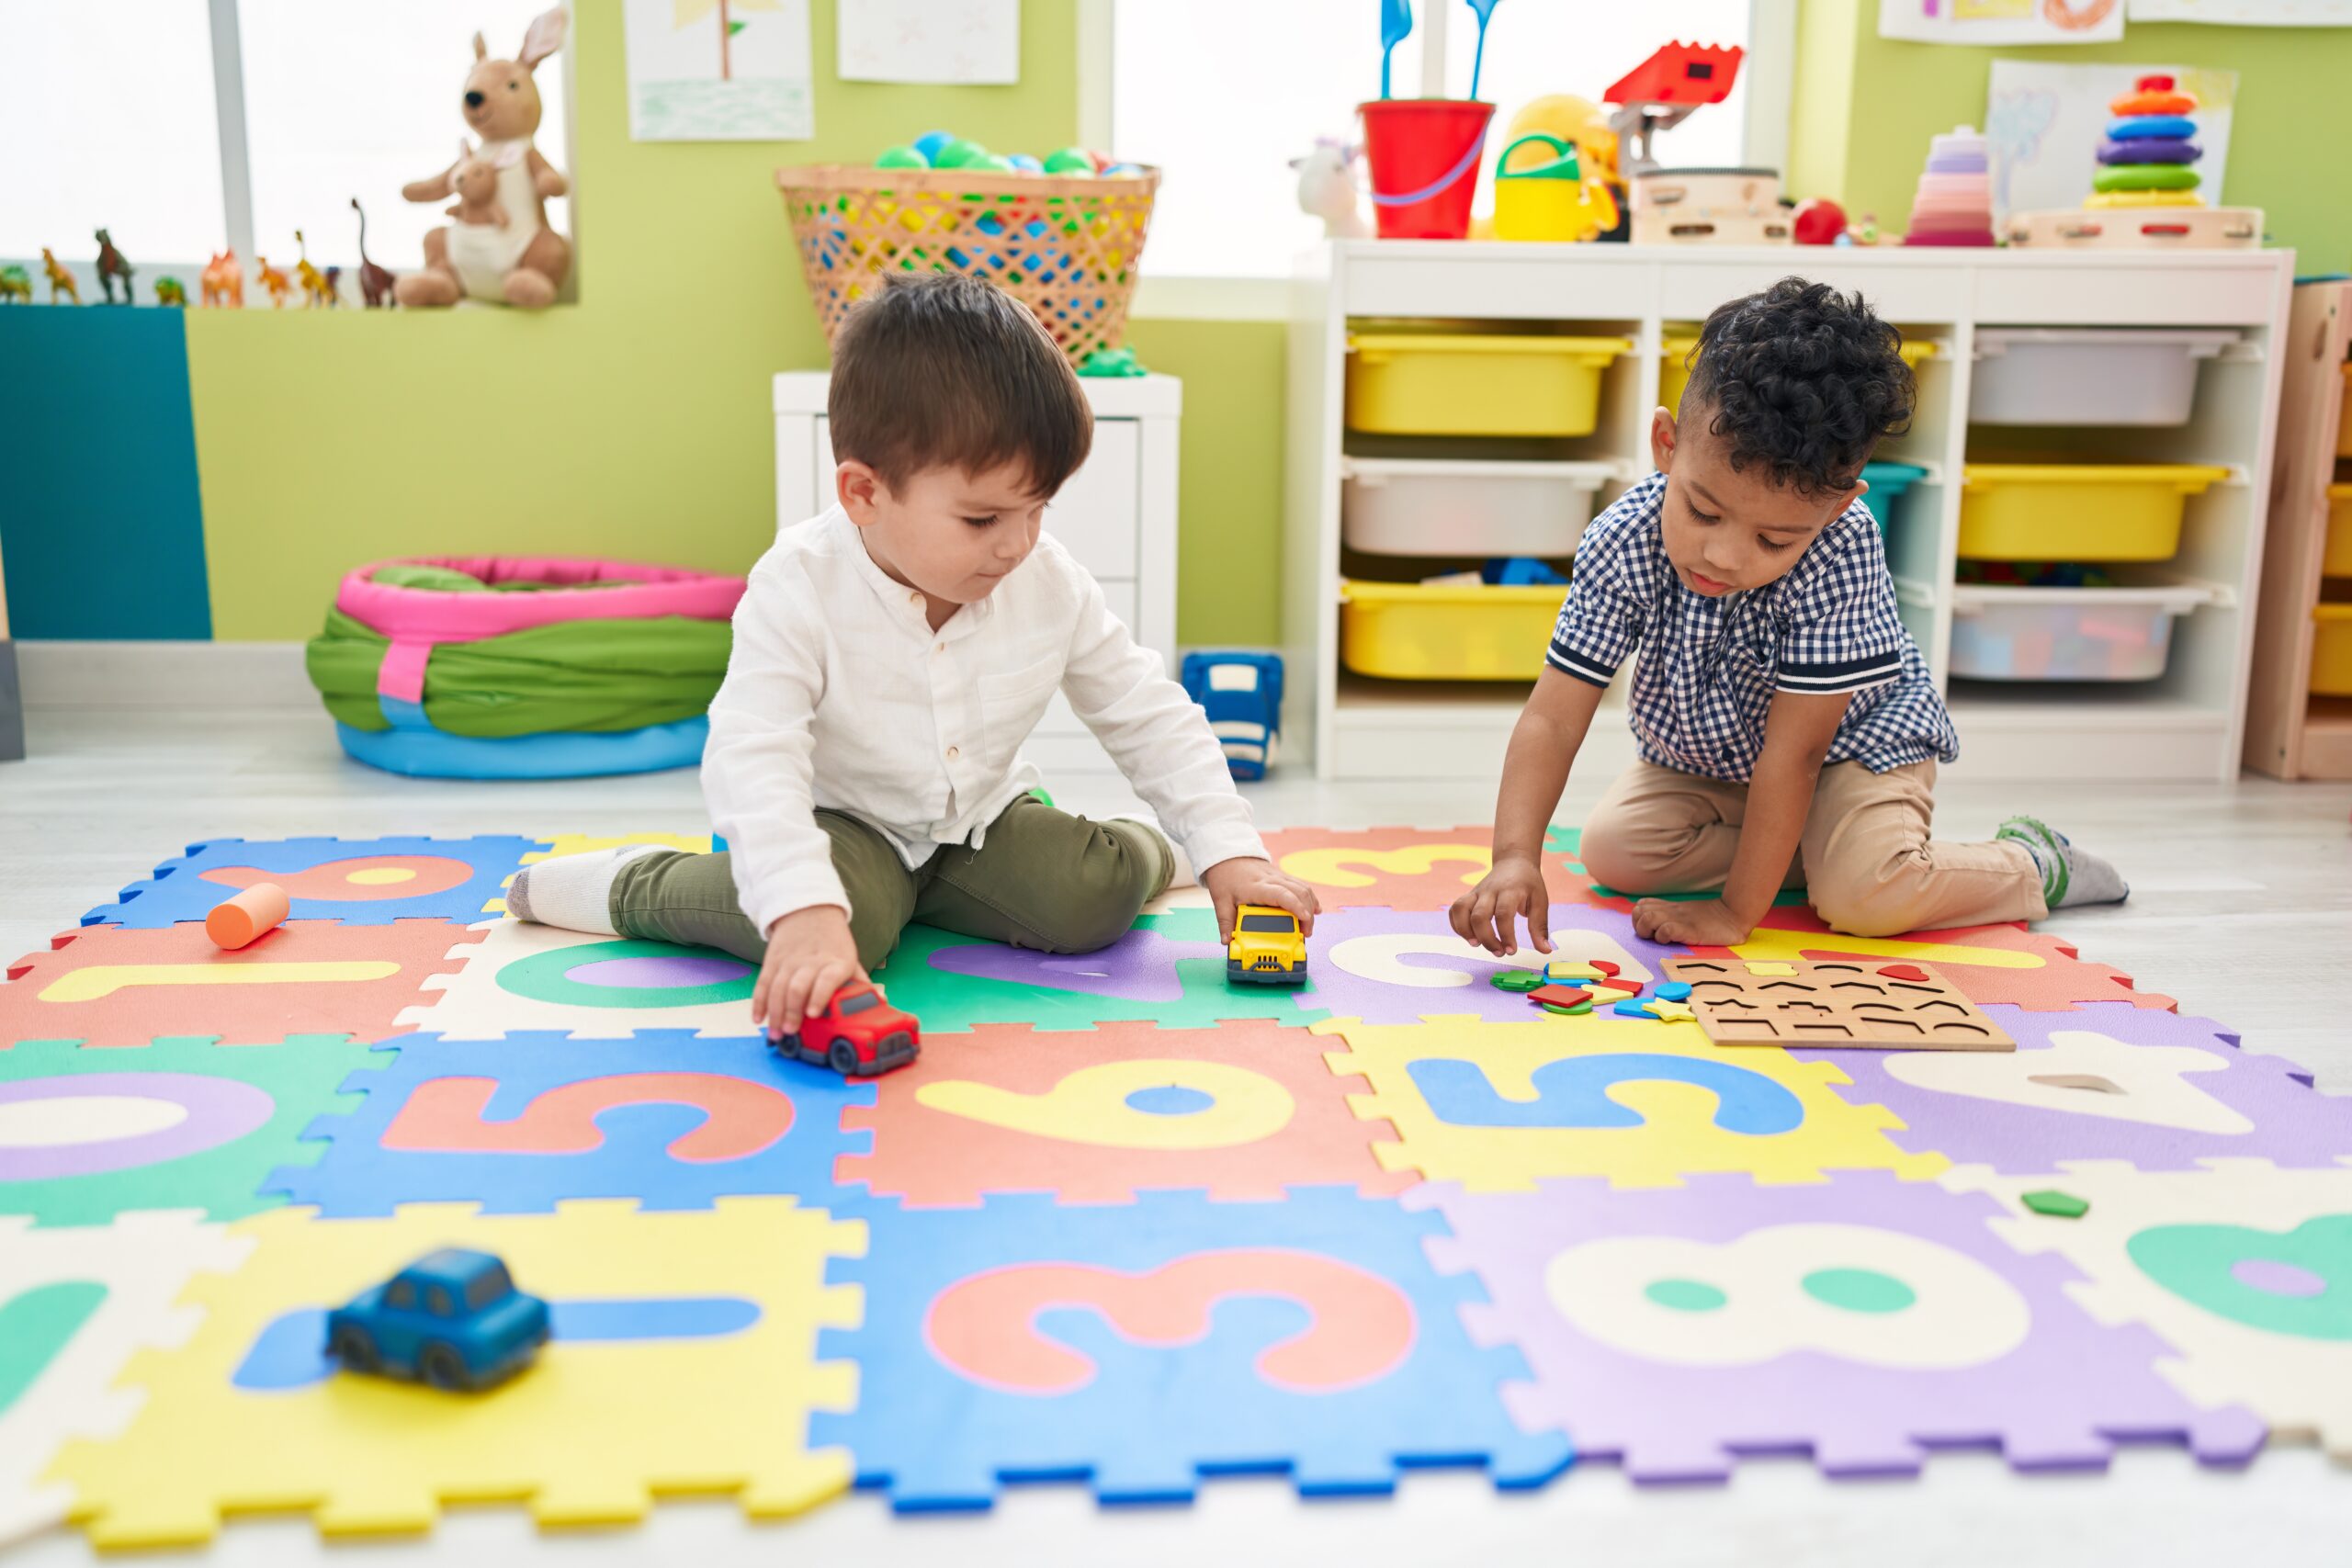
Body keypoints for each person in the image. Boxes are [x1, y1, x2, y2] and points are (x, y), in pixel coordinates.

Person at [508, 273, 1317, 1037]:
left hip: (981, 821)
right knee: (834, 931)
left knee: (1090, 901)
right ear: (864, 493)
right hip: (845, 823)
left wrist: (1229, 852)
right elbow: (753, 755)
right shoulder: (798, 586)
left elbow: (1145, 713)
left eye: (1037, 509)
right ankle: (625, 883)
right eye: (982, 519)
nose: (1018, 543)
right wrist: (804, 915)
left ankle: (1171, 848)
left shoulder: (1047, 579)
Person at [1451, 276, 2126, 957]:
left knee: (1866, 896)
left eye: (1773, 541)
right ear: (1666, 444)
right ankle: (1821, 852)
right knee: (1614, 851)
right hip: (1714, 760)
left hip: (1849, 752)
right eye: (1703, 511)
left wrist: (1736, 911)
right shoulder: (1623, 538)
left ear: (1833, 509)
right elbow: (1553, 715)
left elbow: (1796, 754)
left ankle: (2030, 862)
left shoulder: (1842, 547)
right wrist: (1514, 856)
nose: (1723, 555)